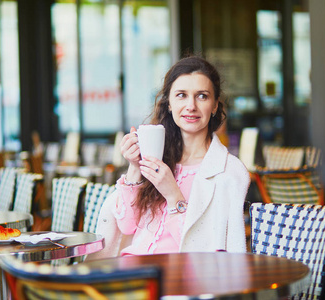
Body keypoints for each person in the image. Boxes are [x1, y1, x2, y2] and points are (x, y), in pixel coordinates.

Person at [92, 56, 250, 258]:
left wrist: (173, 195)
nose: (191, 106)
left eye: (202, 96)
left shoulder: (229, 172)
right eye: (181, 95)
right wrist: (134, 166)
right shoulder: (159, 157)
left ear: (215, 106)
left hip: (179, 279)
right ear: (169, 104)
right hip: (133, 267)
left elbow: (207, 252)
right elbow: (127, 225)